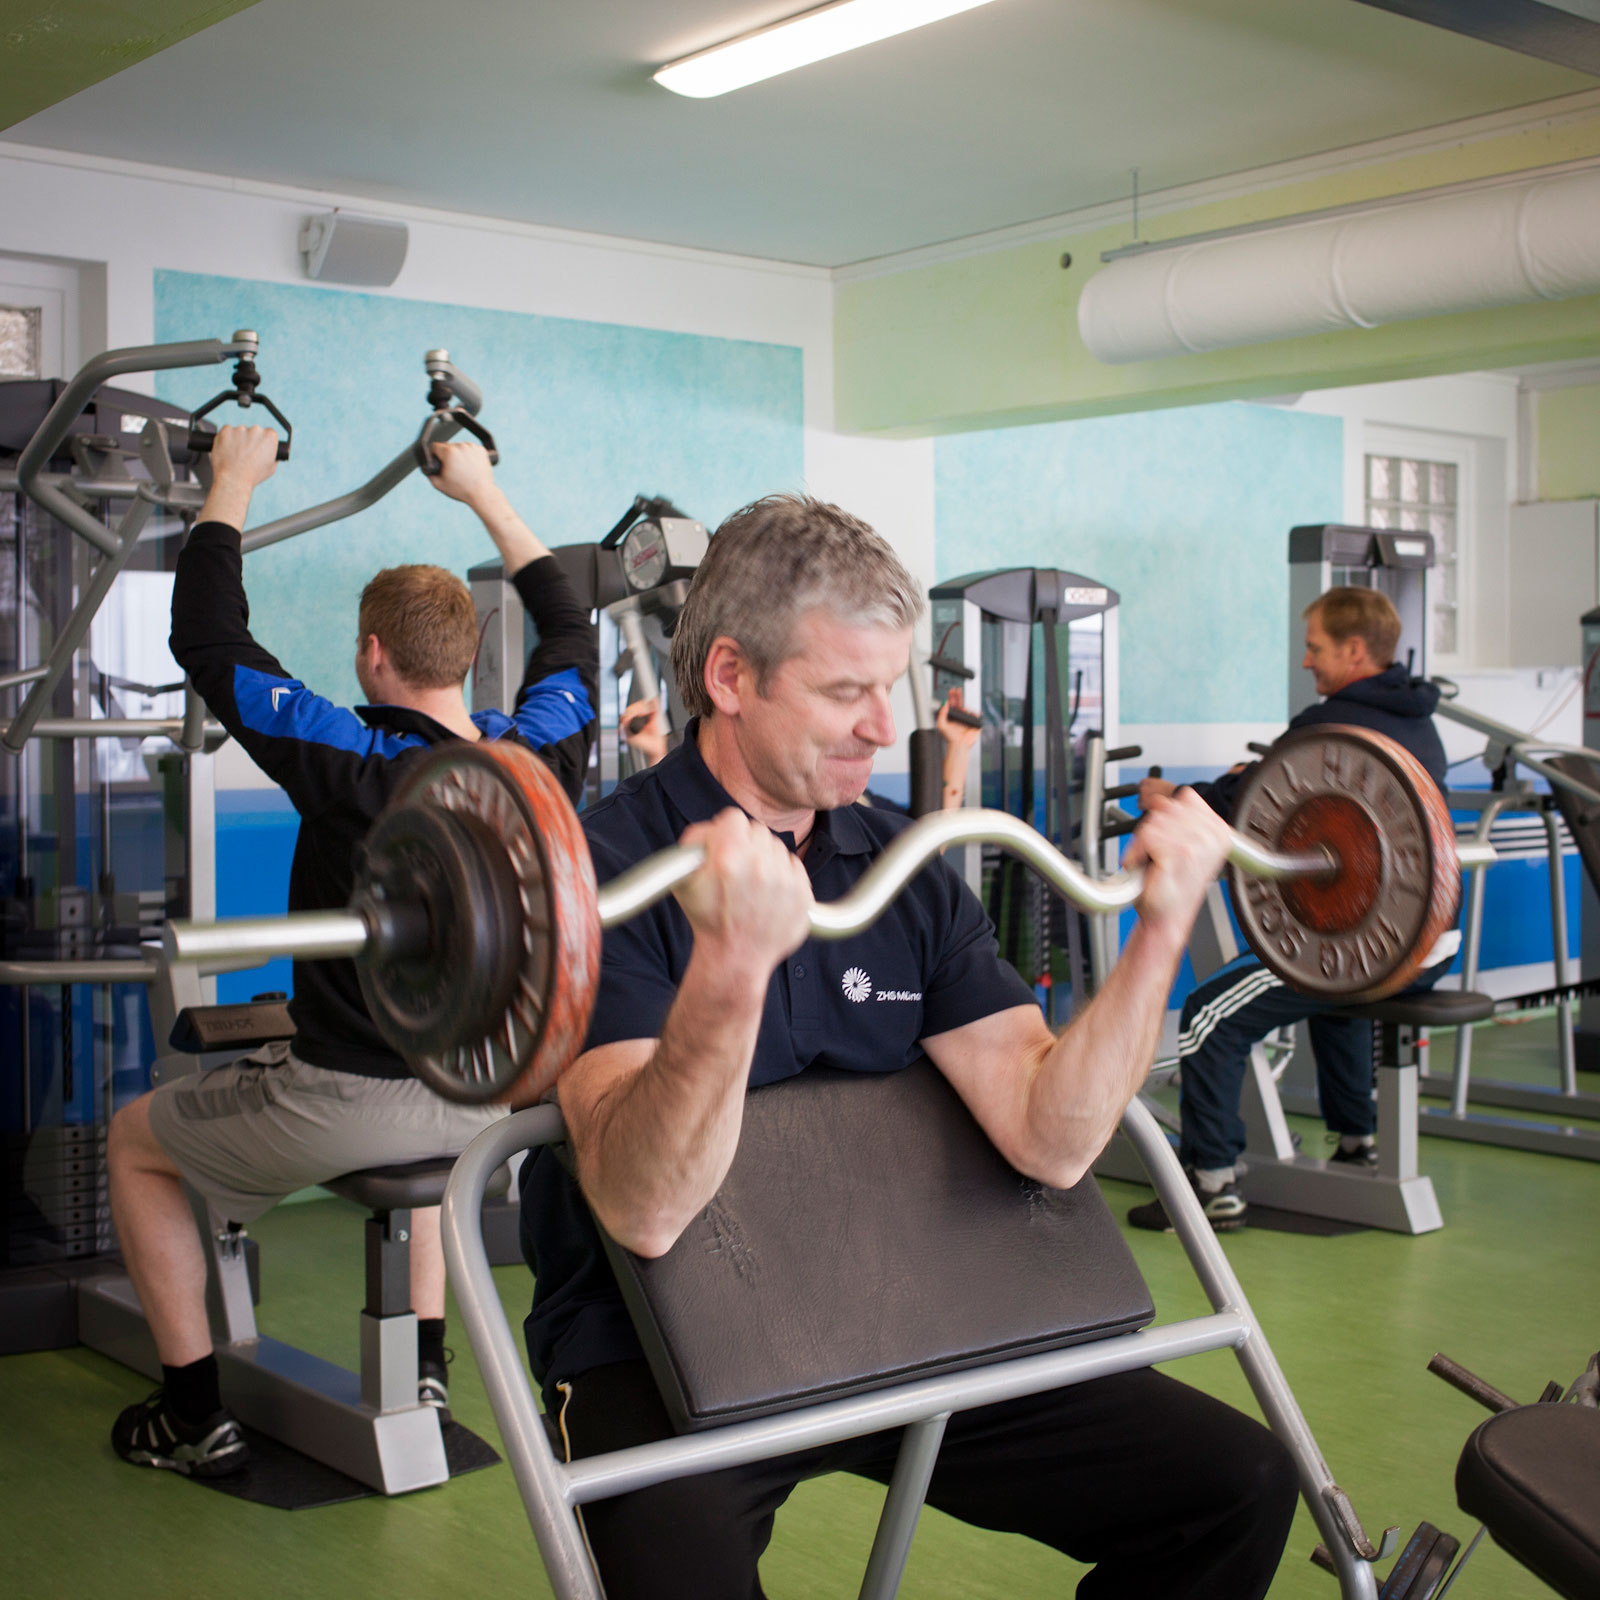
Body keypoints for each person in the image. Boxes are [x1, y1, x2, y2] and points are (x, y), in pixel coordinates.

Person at [519, 493, 1297, 1600]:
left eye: (890, 688)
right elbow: (643, 1204)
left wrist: (1159, 932)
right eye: (845, 692)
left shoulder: (907, 868)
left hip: (908, 1305)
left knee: (1237, 1484)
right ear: (731, 678)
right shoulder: (605, 872)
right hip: (660, 1346)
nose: (885, 728)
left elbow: (1050, 1137)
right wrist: (728, 973)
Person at [107, 424, 596, 1477]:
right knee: (427, 1133)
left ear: (373, 654)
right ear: (465, 656)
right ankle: (424, 1363)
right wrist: (482, 492)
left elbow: (208, 639)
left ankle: (190, 1411)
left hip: (345, 1101)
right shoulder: (538, 754)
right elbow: (570, 625)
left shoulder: (346, 754)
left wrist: (231, 480)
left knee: (133, 1142)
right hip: (493, 1096)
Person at [1127, 585, 1455, 1233]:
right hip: (1430, 943)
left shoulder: (1333, 723)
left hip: (1379, 940)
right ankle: (1358, 1145)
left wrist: (1170, 795)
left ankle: (1210, 1182)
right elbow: (1287, 787)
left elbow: (1243, 799)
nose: (1308, 662)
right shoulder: (1419, 724)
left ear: (1355, 650)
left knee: (1207, 1014)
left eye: (1317, 648)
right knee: (1334, 1001)